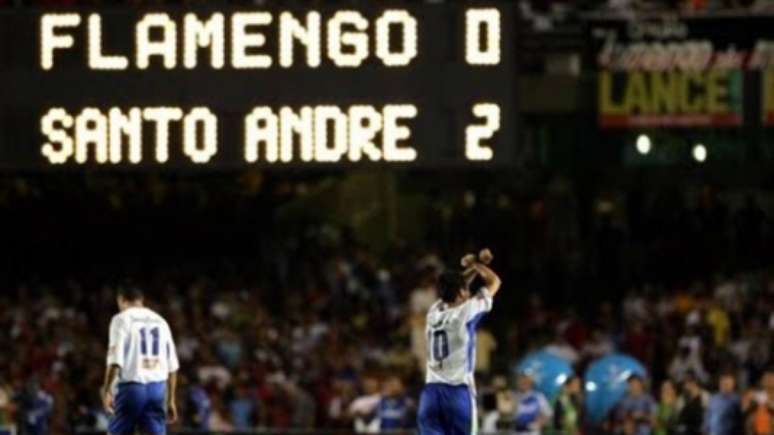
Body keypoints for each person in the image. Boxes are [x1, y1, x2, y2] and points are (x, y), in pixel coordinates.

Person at [417, 248, 502, 435]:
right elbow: (495, 282)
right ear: (463, 293)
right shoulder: (466, 313)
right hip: (457, 393)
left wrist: (473, 267)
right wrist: (477, 265)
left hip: (430, 395)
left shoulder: (433, 312)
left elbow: (455, 286)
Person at [101, 287, 180, 435]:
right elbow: (173, 367)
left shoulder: (120, 319)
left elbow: (115, 362)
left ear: (121, 300)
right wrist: (171, 400)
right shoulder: (161, 321)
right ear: (141, 300)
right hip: (158, 389)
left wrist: (106, 391)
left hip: (131, 388)